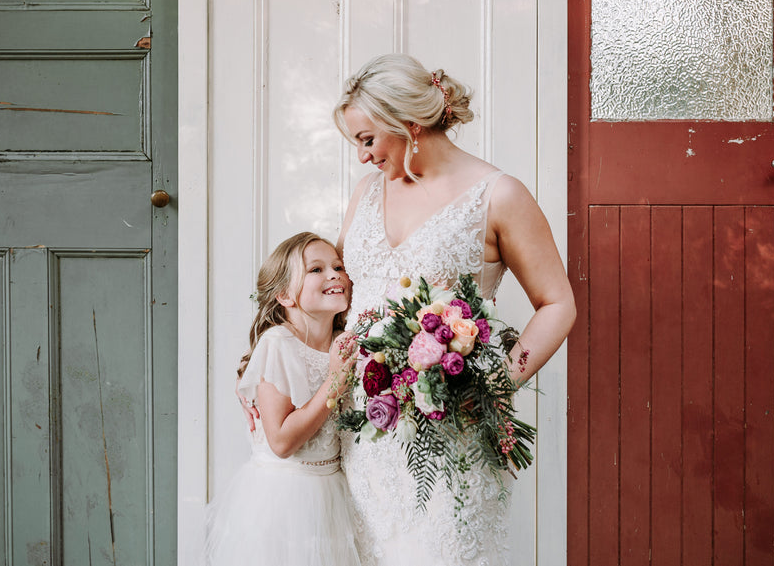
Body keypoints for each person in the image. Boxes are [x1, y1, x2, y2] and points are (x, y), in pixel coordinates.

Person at [333, 53, 576, 565]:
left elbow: (557, 303)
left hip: (445, 432)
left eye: (367, 139)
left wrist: (497, 383)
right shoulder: (366, 192)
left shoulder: (499, 195)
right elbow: (342, 299)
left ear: (409, 123)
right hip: (362, 429)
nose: (362, 157)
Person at [207, 232, 361, 566]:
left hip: (333, 491)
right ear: (284, 296)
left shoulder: (346, 342)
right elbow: (281, 442)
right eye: (316, 269)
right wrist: (335, 381)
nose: (334, 274)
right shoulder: (278, 343)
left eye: (338, 266)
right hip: (285, 497)